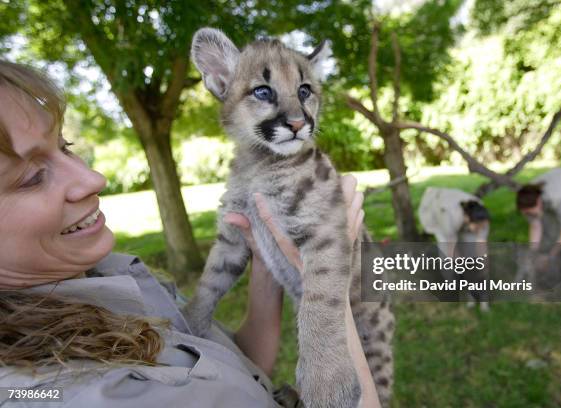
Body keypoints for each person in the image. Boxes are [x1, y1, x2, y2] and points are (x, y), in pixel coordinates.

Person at [0, 60, 380, 407]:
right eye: (32, 178)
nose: (94, 179)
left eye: (66, 147)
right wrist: (330, 268)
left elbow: (241, 365)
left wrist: (267, 259)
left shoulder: (107, 275)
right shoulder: (69, 395)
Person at [418, 187, 490, 310]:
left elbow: (481, 243)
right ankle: (461, 291)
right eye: (477, 226)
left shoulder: (481, 215)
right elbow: (450, 244)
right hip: (437, 210)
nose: (480, 229)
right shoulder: (448, 216)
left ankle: (482, 299)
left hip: (463, 215)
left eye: (481, 226)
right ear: (468, 220)